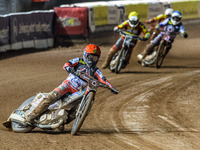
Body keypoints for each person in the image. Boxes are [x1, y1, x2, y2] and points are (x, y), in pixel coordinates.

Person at [26, 44, 118, 124]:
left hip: (80, 93)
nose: (92, 60)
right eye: (90, 57)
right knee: (52, 96)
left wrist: (111, 87)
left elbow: (103, 79)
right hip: (68, 85)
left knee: (79, 110)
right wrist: (69, 68)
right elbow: (67, 64)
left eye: (95, 58)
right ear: (86, 55)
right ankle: (32, 115)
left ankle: (62, 122)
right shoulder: (79, 61)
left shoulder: (96, 70)